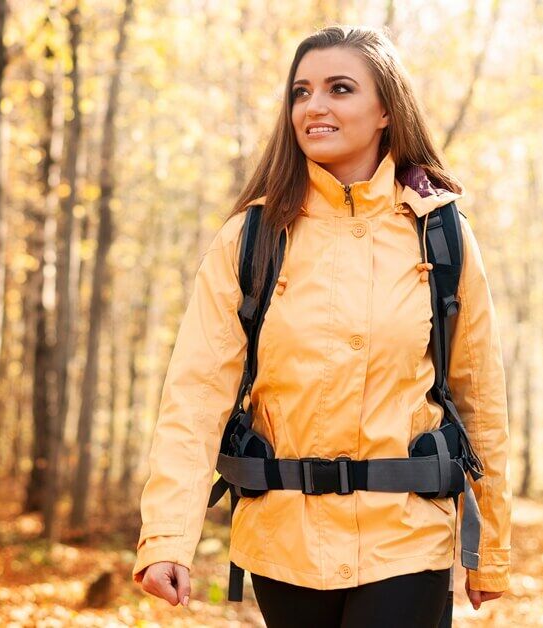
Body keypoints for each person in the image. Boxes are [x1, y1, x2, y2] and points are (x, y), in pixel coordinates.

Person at [131, 25, 512, 627]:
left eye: (339, 89)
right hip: (283, 543)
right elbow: (196, 395)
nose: (315, 106)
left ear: (386, 107)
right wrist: (167, 538)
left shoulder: (440, 233)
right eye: (301, 92)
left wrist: (489, 548)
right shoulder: (250, 238)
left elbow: (479, 399)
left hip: (407, 536)